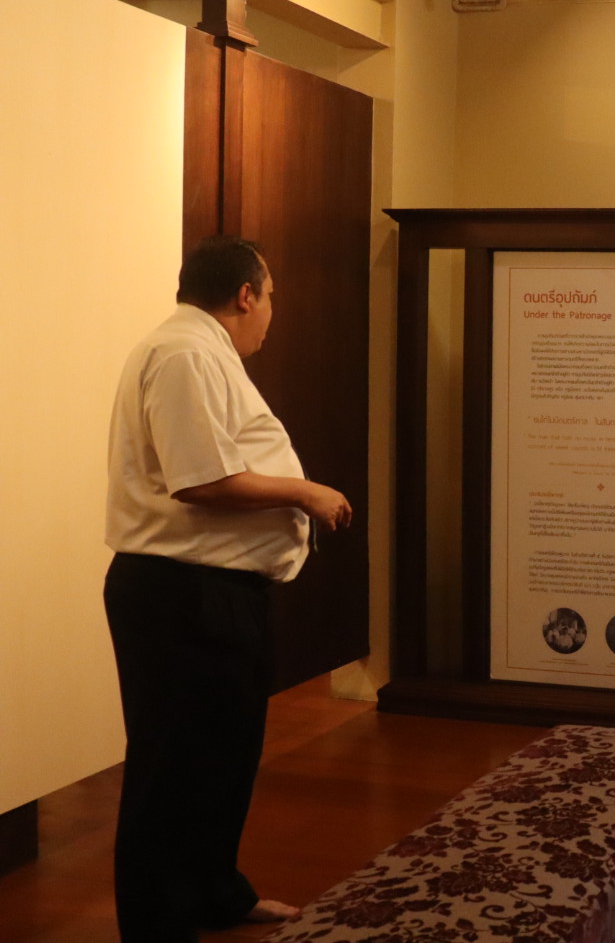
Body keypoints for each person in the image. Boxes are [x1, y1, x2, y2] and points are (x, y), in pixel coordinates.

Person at [103, 235, 352, 942]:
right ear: (246, 294)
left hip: (212, 589)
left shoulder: (201, 350)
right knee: (172, 765)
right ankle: (159, 925)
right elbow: (201, 481)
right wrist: (306, 492)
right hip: (183, 592)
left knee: (221, 759)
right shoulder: (185, 353)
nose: (272, 312)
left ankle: (214, 892)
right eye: (270, 296)